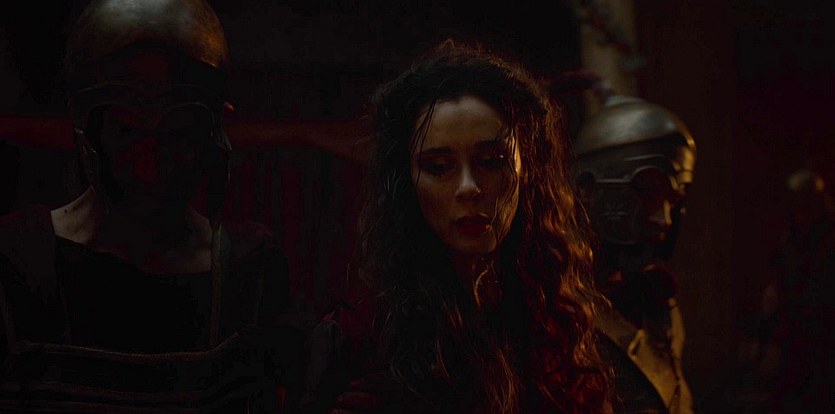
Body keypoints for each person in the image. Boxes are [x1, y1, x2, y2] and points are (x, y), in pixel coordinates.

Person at [0, 1, 306, 412]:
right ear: (88, 127)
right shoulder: (18, 260)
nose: (150, 166)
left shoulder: (248, 272)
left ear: (212, 130)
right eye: (126, 131)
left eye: (178, 133)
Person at [303, 40, 612, 414]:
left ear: (526, 168)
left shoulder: (556, 321)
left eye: (491, 161)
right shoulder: (362, 335)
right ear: (408, 181)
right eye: (439, 167)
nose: (468, 188)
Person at [572, 93, 697, 414]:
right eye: (649, 190)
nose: (664, 219)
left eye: (673, 198)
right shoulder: (560, 311)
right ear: (587, 190)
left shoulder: (657, 299)